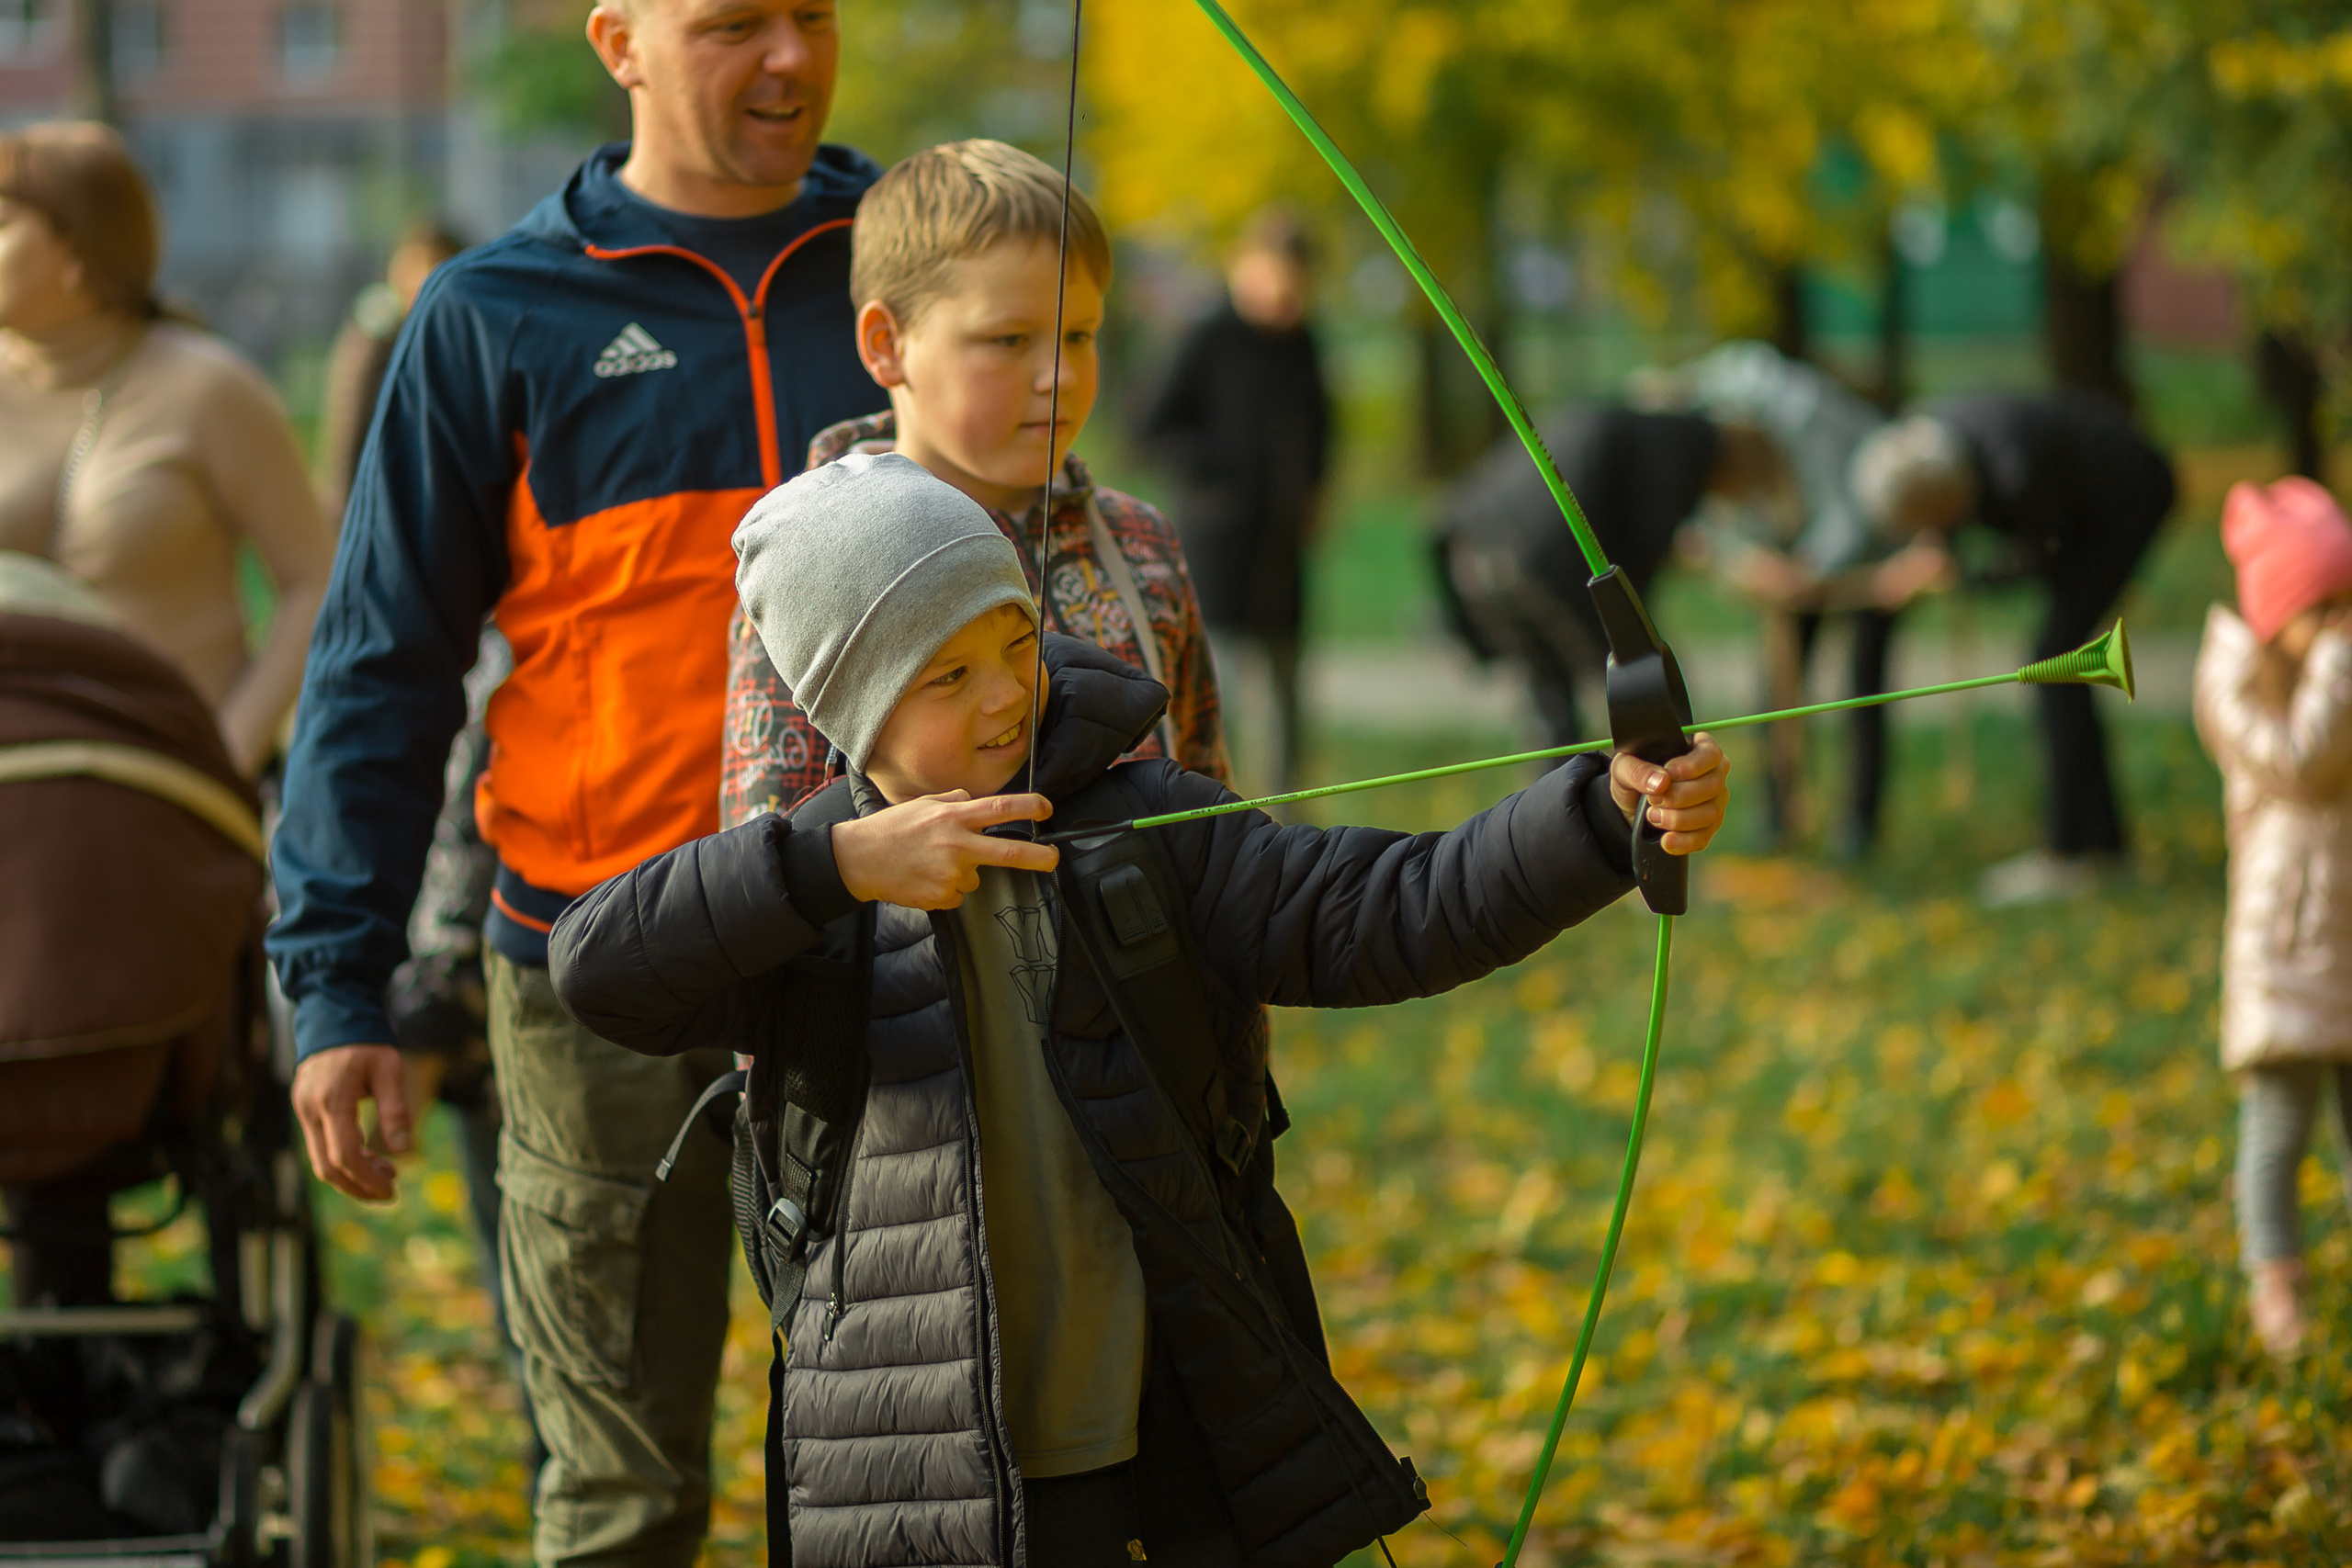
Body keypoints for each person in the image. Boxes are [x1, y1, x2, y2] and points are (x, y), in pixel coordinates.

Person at [545, 453, 1734, 1563]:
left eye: (1015, 640)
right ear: (847, 707)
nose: (1009, 693)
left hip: (1154, 1432)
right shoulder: (805, 898)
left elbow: (1388, 907)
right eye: (947, 675)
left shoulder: (1142, 824)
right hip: (905, 1466)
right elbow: (598, 966)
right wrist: (834, 869)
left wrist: (1597, 817)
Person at [264, 0, 886, 1559]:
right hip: (594, 971)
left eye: (812, 15)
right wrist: (335, 987)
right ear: (620, 40)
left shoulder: (918, 261)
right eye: (736, 23)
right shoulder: (492, 313)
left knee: (919, 1475)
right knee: (621, 1498)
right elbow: (379, 668)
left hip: (897, 955)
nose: (792, 59)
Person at [722, 139, 1227, 827]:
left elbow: (1211, 799)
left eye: (1079, 335)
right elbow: (775, 856)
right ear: (886, 345)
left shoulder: (1144, 541)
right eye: (1010, 340)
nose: (1063, 376)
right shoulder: (810, 566)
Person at [0, 121, 332, 778]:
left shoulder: (208, 388)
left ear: (78, 250)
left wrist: (226, 752)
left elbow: (316, 582)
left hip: (166, 800)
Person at [1849, 395, 2176, 903]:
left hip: (2129, 496)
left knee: (2051, 661)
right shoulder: (1932, 437)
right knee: (2055, 662)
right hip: (2078, 502)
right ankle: (2103, 845)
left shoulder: (2016, 475)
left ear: (1948, 495)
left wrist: (1964, 577)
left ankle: (2071, 854)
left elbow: (2043, 560)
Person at [1653, 341, 1951, 853]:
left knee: (1864, 681)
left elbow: (1854, 509)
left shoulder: (1803, 414)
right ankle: (1779, 814)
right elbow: (1718, 525)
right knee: (1776, 684)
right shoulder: (1701, 420)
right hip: (1798, 551)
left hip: (1877, 545)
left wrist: (1807, 570)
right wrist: (1754, 565)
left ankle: (1858, 824)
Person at [2194, 477, 2352, 1359]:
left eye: (2349, 603)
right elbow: (2306, 762)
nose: (2340, 625)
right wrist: (2335, 666)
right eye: (2321, 607)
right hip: (2288, 950)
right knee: (2279, 1127)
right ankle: (2275, 1278)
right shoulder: (2240, 691)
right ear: (2274, 613)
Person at [1433, 403, 1767, 750]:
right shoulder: (1689, 449)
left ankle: (1557, 792)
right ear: (1739, 465)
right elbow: (1641, 555)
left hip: (1472, 547)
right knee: (1649, 689)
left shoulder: (1650, 427)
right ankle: (1661, 786)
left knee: (1549, 697)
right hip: (1544, 558)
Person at [1140, 205, 1329, 798]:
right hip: (1220, 552)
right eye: (1274, 276)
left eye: (1296, 282)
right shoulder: (1206, 337)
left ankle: (1288, 821)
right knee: (1220, 698)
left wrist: (1317, 489)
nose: (1285, 294)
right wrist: (1221, 479)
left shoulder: (1302, 340)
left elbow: (1323, 423)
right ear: (1243, 268)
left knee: (1286, 696)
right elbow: (1150, 426)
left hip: (1283, 550)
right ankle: (1219, 817)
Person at [317, 220, 465, 525]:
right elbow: (349, 429)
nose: (422, 279)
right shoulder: (377, 333)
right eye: (413, 267)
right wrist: (345, 515)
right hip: (384, 505)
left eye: (434, 266)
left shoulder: (459, 336)